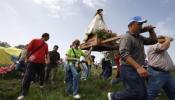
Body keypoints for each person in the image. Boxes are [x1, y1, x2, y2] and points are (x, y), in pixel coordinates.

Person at [108, 16, 157, 100]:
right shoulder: (126, 37)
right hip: (128, 69)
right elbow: (123, 54)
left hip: (137, 68)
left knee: (143, 95)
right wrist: (139, 67)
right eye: (139, 24)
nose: (141, 26)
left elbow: (154, 40)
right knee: (137, 92)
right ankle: (114, 96)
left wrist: (151, 30)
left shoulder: (139, 38)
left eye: (142, 24)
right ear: (131, 25)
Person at [17, 33, 50, 100]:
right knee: (27, 77)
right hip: (32, 62)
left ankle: (41, 85)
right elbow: (28, 50)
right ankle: (23, 93)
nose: (48, 39)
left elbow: (47, 53)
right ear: (44, 36)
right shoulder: (35, 40)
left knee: (42, 74)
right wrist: (26, 59)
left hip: (42, 63)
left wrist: (48, 59)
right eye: (48, 37)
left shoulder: (46, 45)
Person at [147, 35, 175, 100]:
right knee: (151, 94)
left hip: (167, 74)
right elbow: (163, 47)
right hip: (157, 73)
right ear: (158, 40)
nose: (164, 40)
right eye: (162, 39)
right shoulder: (153, 46)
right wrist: (168, 39)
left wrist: (167, 39)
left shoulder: (162, 49)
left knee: (173, 91)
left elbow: (171, 39)